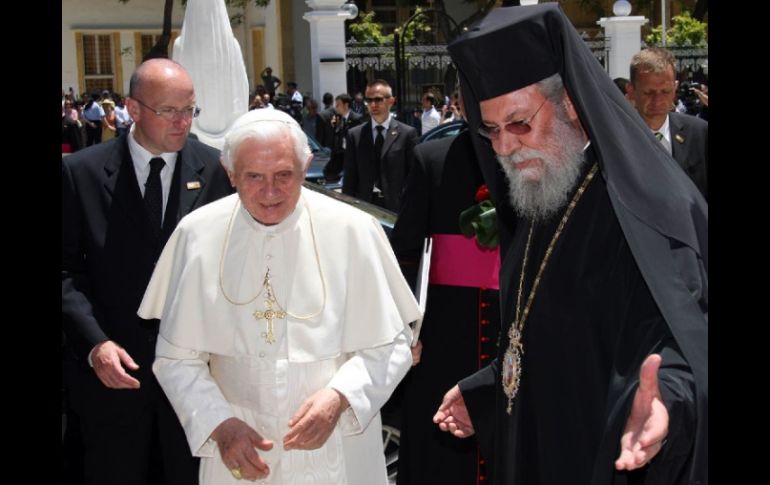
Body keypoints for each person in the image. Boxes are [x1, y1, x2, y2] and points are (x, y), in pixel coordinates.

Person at [432, 5, 707, 485]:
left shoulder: (642, 205)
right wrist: (491, 388)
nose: (503, 148)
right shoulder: (542, 192)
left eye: (519, 124)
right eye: (490, 130)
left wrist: (665, 400)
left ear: (572, 106)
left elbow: (679, 336)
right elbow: (553, 331)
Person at [137, 108, 421, 484]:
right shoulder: (197, 235)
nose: (270, 192)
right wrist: (219, 424)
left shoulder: (355, 231)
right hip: (241, 448)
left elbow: (392, 345)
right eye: (254, 176)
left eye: (284, 176)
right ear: (231, 173)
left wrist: (340, 397)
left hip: (338, 444)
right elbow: (175, 361)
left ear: (305, 168)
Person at [62, 58, 233, 485]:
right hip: (113, 385)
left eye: (189, 110)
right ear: (133, 110)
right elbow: (65, 273)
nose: (182, 122)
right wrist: (96, 344)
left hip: (197, 384)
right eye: (169, 111)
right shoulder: (79, 172)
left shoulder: (216, 171)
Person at [391, 115, 501, 485]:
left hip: (513, 332)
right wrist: (405, 329)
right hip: (445, 338)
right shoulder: (431, 158)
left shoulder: (537, 160)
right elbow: (405, 253)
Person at [627, 47, 708, 199]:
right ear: (631, 91)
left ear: (675, 88)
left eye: (665, 92)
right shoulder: (615, 137)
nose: (657, 101)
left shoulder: (699, 133)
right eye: (648, 92)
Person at [342, 79, 419, 211]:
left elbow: (413, 178)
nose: (373, 104)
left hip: (396, 208)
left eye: (378, 100)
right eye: (369, 100)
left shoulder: (407, 134)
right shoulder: (355, 135)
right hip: (365, 207)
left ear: (391, 101)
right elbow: (350, 179)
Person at [323, 93, 363, 182]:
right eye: (335, 105)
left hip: (351, 155)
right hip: (339, 154)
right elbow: (333, 133)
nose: (336, 107)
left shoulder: (356, 119)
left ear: (346, 105)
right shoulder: (336, 118)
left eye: (338, 105)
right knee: (327, 173)